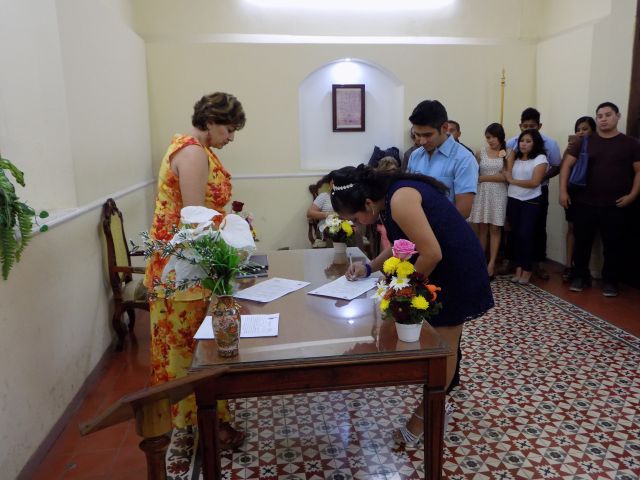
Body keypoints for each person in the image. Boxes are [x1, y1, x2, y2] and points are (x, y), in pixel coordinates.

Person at [330, 164, 494, 446]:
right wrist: (369, 267)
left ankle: (424, 417)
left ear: (368, 204)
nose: (356, 223)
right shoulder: (389, 199)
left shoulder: (400, 198)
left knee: (445, 346)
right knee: (437, 343)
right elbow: (402, 245)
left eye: (355, 216)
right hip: (441, 264)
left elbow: (430, 252)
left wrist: (404, 292)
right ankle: (437, 404)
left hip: (456, 267)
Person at [144, 92, 247, 449]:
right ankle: (202, 426)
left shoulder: (191, 148)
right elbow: (194, 220)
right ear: (211, 121)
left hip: (185, 264)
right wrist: (229, 246)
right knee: (192, 350)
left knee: (194, 346)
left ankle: (205, 419)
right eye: (229, 129)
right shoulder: (191, 154)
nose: (231, 138)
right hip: (183, 269)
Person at [560, 102, 640, 297]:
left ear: (618, 116)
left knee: (613, 244)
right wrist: (563, 191)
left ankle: (610, 281)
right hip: (584, 202)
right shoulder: (585, 141)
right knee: (582, 243)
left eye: (608, 115)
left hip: (616, 204)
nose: (603, 119)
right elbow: (566, 166)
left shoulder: (630, 143)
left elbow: (638, 171)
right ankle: (580, 276)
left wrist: (632, 195)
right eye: (600, 116)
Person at [506, 108, 561, 280]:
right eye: (524, 126)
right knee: (515, 230)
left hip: (536, 193)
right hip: (515, 196)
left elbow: (556, 167)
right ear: (520, 125)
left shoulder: (548, 145)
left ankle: (537, 264)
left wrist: (538, 176)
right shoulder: (512, 143)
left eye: (532, 126)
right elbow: (507, 167)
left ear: (539, 125)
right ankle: (515, 264)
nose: (525, 140)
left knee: (535, 229)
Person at [406, 100, 479, 219]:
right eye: (418, 135)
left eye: (428, 135)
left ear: (444, 127)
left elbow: (463, 211)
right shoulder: (415, 155)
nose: (422, 141)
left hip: (445, 231)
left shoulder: (464, 159)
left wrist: (428, 229)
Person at [504, 129, 549, 285]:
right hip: (513, 199)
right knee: (515, 235)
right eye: (522, 141)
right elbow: (504, 168)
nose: (524, 144)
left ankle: (527, 269)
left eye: (528, 141)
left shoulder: (540, 158)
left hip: (531, 200)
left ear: (535, 143)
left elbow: (534, 182)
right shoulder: (514, 157)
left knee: (526, 235)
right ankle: (518, 268)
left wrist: (512, 180)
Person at [469, 123, 510, 279]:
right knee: (482, 228)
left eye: (493, 137)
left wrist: (483, 178)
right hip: (482, 193)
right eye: (488, 137)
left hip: (499, 193)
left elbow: (506, 176)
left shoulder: (508, 153)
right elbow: (472, 174)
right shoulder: (481, 153)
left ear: (500, 136)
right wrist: (487, 178)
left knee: (495, 229)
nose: (491, 140)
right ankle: (481, 263)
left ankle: (492, 264)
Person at [559, 116, 596, 281]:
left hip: (592, 195)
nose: (581, 132)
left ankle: (585, 268)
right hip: (573, 193)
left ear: (593, 131)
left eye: (585, 129)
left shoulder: (596, 146)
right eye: (578, 129)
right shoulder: (572, 148)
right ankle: (568, 265)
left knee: (588, 232)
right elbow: (563, 168)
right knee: (572, 229)